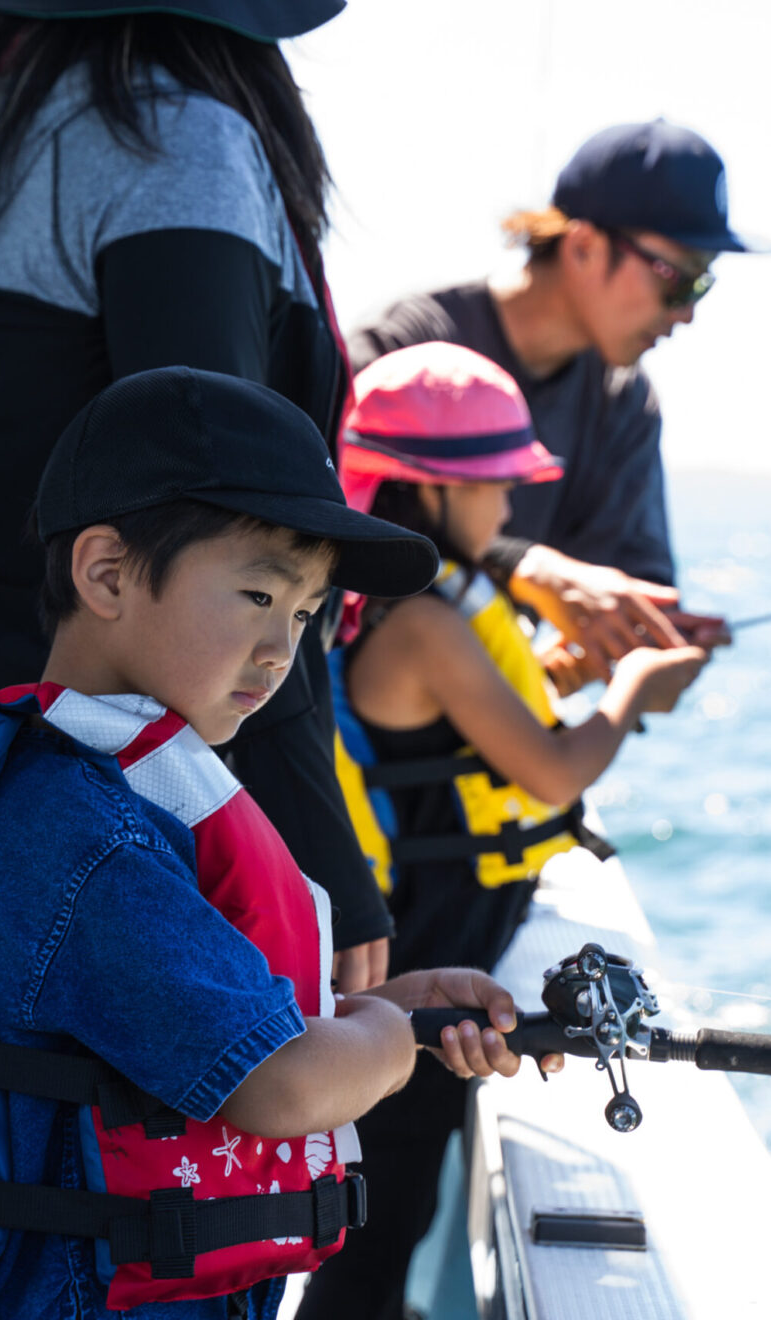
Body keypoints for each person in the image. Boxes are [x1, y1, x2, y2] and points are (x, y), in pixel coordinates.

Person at [0, 366, 556, 1320]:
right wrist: (389, 1040)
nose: (282, 650)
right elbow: (279, 1086)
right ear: (107, 574)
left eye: (306, 614)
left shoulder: (118, 792)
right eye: (256, 594)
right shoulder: (80, 831)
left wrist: (386, 1008)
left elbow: (205, 1025)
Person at [0, 0, 403, 1001]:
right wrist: (317, 855)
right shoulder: (173, 133)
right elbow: (226, 513)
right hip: (42, 831)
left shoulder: (21, 124)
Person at [296, 343, 712, 1320]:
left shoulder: (408, 604)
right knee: (391, 1192)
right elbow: (555, 770)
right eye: (496, 484)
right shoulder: (426, 619)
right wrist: (635, 690)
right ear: (432, 487)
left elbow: (471, 728)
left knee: (396, 1187)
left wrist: (574, 676)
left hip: (431, 921)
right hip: (433, 933)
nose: (510, 506)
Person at [347, 119, 764, 689]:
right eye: (679, 280)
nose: (686, 313)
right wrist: (525, 565)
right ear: (584, 247)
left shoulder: (625, 403)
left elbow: (632, 586)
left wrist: (647, 644)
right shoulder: (404, 346)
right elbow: (325, 520)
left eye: (702, 286)